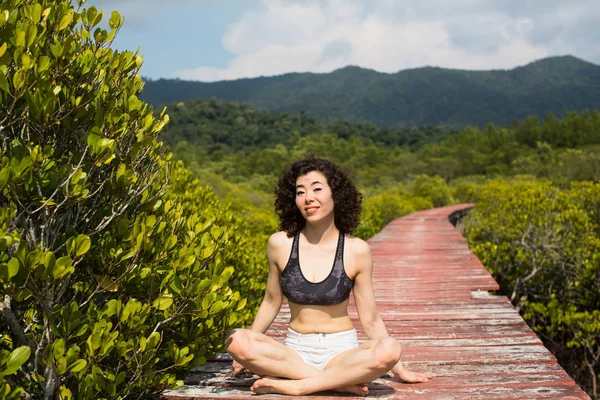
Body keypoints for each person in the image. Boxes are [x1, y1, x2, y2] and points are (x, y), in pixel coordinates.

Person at [225, 157, 432, 396]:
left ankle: (299, 385)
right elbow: (271, 301)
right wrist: (248, 347)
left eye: (317, 189)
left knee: (390, 349)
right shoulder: (279, 244)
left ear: (336, 195)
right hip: (295, 351)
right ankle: (339, 383)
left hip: (341, 352)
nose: (308, 198)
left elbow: (371, 319)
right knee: (237, 339)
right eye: (300, 191)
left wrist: (398, 368)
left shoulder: (357, 250)